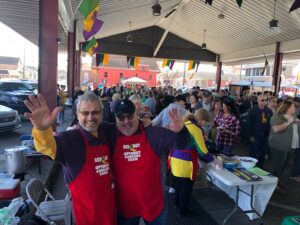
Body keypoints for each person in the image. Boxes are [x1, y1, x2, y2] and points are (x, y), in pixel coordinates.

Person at [24, 92, 117, 225]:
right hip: (82, 212)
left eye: (95, 112)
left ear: (102, 113)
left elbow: (127, 129)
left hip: (108, 207)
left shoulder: (107, 131)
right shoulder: (69, 138)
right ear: (77, 114)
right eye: (85, 113)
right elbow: (48, 148)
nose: (90, 117)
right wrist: (42, 130)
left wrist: (146, 124)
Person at [112, 99, 184, 225]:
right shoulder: (110, 136)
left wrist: (180, 131)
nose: (126, 121)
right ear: (116, 120)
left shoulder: (153, 133)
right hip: (124, 208)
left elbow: (182, 145)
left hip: (154, 205)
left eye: (130, 116)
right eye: (121, 118)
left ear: (137, 115)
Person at [169, 109, 214, 216]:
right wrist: (213, 159)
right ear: (202, 120)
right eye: (205, 122)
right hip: (185, 163)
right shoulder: (195, 129)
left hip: (174, 159)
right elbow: (202, 151)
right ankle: (183, 211)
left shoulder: (185, 122)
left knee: (178, 185)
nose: (205, 125)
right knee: (186, 188)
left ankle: (177, 204)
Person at [269, 100, 300, 194]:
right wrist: (288, 122)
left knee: (284, 165)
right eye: (293, 107)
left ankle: (276, 180)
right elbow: (276, 129)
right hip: (279, 145)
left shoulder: (293, 116)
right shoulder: (277, 116)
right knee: (278, 166)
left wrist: (297, 122)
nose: (295, 108)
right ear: (287, 108)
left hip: (292, 145)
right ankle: (273, 184)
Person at [246, 94, 273, 168]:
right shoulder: (252, 111)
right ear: (257, 101)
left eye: (266, 100)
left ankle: (260, 166)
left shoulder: (269, 111)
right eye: (262, 100)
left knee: (263, 152)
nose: (264, 102)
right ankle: (251, 165)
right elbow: (249, 124)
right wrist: (250, 135)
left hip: (265, 135)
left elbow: (270, 123)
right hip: (255, 135)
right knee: (253, 151)